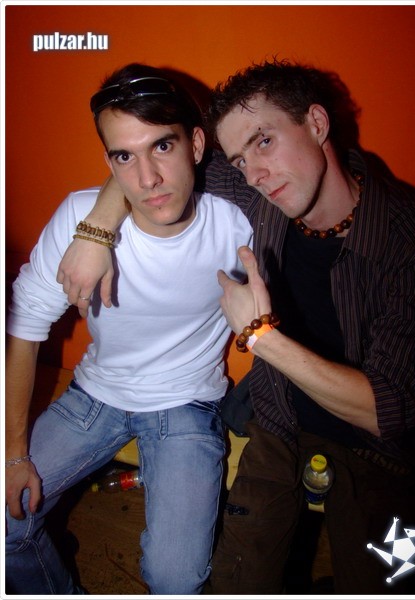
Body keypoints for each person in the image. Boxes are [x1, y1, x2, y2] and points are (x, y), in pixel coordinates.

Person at [54, 59, 415, 594]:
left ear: (316, 123)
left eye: (264, 141)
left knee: (400, 580)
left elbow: (388, 411)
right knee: (233, 585)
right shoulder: (260, 195)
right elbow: (152, 168)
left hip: (378, 455)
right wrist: (95, 230)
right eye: (239, 159)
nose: (255, 173)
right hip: (279, 423)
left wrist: (261, 336)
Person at [5, 62, 254, 595]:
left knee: (175, 580)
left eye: (162, 146)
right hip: (95, 393)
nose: (147, 179)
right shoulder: (79, 219)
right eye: (125, 156)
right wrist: (13, 455)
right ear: (109, 163)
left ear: (196, 144)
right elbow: (23, 329)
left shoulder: (238, 223)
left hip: (187, 402)